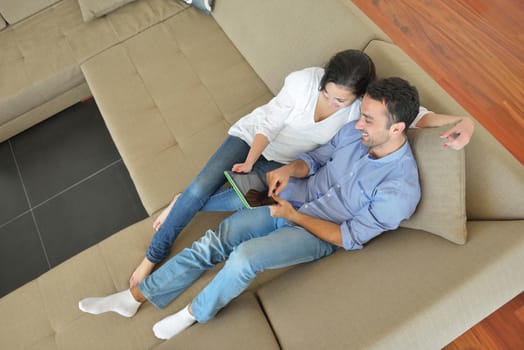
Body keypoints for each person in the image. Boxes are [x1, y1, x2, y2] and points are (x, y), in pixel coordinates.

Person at [79, 77, 422, 340]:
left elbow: (349, 237)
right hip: (291, 197)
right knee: (219, 237)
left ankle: (193, 313)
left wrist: (295, 217)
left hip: (317, 232)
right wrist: (290, 170)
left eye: (368, 120)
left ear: (396, 128)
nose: (358, 123)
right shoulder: (355, 133)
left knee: (244, 257)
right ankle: (133, 297)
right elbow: (317, 158)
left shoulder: (399, 190)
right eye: (360, 116)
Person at [129, 49, 475, 288]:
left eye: (342, 100)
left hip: (287, 165)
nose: (332, 103)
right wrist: (250, 159)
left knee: (241, 198)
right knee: (200, 189)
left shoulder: (361, 113)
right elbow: (269, 121)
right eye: (328, 94)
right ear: (322, 81)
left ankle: (186, 200)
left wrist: (464, 121)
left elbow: (415, 116)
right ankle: (153, 254)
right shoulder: (302, 82)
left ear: (358, 98)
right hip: (255, 140)